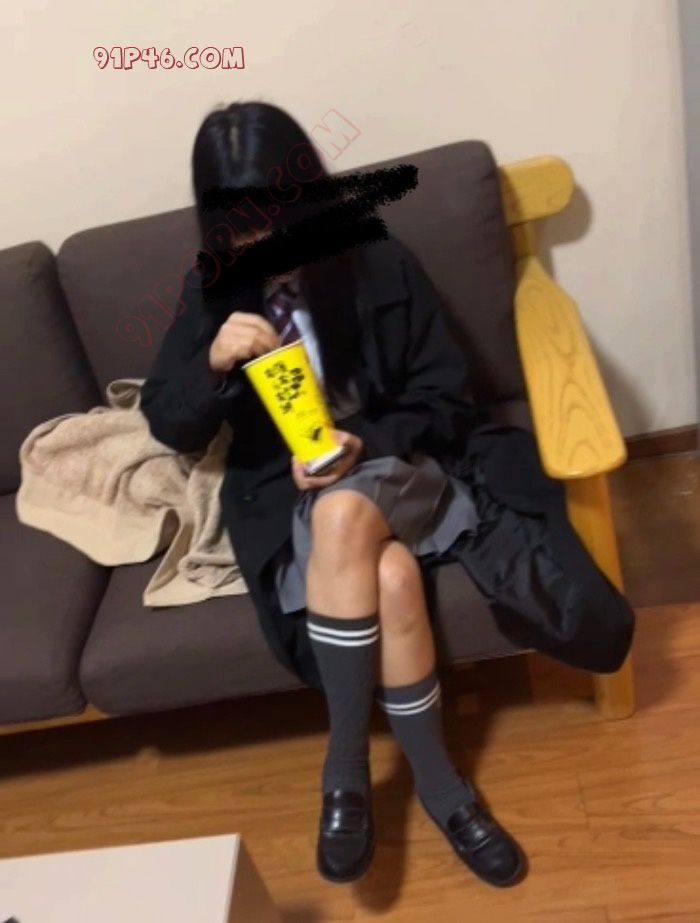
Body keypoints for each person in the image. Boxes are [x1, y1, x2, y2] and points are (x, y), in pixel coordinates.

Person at [141, 101, 599, 889]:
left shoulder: (374, 260)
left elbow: (447, 398)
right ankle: (443, 789)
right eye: (240, 228)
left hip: (401, 464)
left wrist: (365, 443)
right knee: (388, 575)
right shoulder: (213, 289)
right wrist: (211, 365)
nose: (262, 244)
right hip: (289, 491)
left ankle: (345, 770)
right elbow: (166, 421)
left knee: (346, 508)